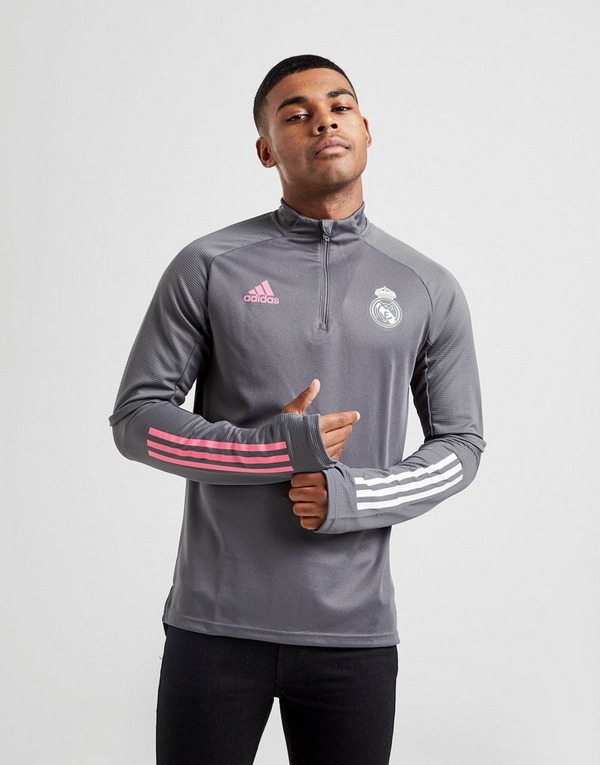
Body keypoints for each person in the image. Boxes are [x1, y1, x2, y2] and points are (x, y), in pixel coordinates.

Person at [110, 54, 485, 765]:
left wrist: (352, 494)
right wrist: (268, 451)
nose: (324, 122)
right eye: (297, 113)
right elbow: (136, 418)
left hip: (355, 637)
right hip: (215, 627)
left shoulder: (427, 286)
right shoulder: (209, 265)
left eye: (340, 107)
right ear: (266, 150)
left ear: (367, 130)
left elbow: (461, 445)